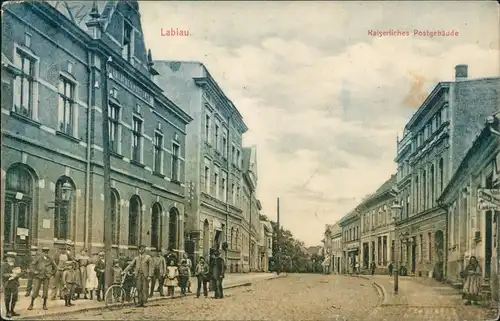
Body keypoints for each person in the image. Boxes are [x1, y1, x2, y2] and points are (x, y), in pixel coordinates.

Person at [28, 247, 57, 311]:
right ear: (42, 252)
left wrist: (51, 273)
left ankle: (44, 305)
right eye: (44, 252)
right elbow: (32, 265)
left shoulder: (50, 259)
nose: (45, 254)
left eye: (46, 253)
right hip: (38, 276)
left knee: (45, 291)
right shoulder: (38, 258)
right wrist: (34, 271)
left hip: (46, 277)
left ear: (48, 253)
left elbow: (55, 267)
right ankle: (31, 304)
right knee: (35, 290)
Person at [3, 252, 21, 318]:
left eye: (12, 258)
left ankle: (12, 311)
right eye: (9, 258)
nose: (11, 259)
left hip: (15, 284)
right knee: (7, 298)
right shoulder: (4, 265)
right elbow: (3, 274)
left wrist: (18, 274)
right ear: (7, 258)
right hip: (7, 284)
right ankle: (8, 312)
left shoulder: (15, 265)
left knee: (14, 298)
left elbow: (19, 273)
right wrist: (10, 275)